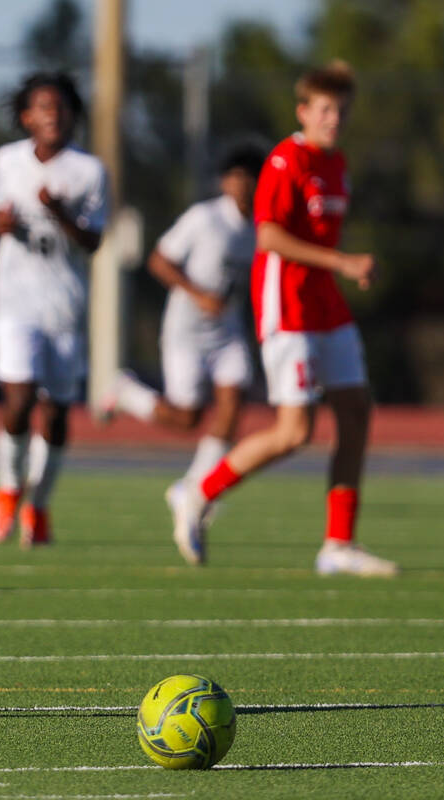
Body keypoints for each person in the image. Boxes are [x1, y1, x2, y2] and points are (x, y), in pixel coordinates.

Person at [169, 61, 398, 576]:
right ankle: (197, 492)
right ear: (303, 112)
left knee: (357, 413)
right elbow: (268, 237)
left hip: (326, 306)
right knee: (295, 431)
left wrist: (344, 269)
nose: (333, 118)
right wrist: (344, 262)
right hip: (287, 307)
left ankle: (338, 545)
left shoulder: (336, 164)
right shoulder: (284, 161)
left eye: (340, 110)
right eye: (324, 109)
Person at [102, 143, 265, 563]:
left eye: (252, 178)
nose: (244, 186)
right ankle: (127, 394)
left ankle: (193, 491)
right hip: (186, 332)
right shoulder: (204, 218)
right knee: (187, 417)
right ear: (225, 181)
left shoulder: (260, 228)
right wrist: (198, 295)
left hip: (227, 334)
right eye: (237, 177)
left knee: (234, 403)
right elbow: (159, 260)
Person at [0, 72, 108, 549]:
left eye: (60, 107)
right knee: (18, 398)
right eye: (42, 107)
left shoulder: (89, 172)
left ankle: (39, 502)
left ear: (73, 114)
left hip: (65, 305)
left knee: (56, 413)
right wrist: (2, 222)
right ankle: (10, 487)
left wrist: (58, 212)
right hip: (15, 300)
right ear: (26, 116)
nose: (52, 114)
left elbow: (94, 241)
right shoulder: (7, 160)